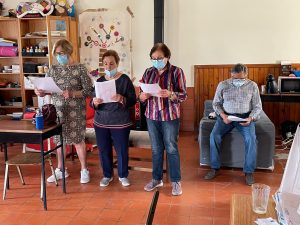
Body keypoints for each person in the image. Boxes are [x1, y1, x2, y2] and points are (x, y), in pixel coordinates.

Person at [34, 39, 93, 184]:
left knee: (78, 140)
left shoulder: (80, 68)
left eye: (61, 53)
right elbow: (46, 88)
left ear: (68, 52)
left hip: (76, 110)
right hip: (59, 110)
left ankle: (84, 169)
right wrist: (40, 92)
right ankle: (61, 170)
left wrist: (72, 93)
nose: (59, 56)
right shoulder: (53, 69)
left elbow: (88, 91)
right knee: (60, 140)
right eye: (56, 54)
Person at [139, 43, 187, 196]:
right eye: (153, 58)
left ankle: (176, 181)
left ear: (167, 57)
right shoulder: (148, 72)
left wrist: (171, 94)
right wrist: (143, 96)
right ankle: (156, 179)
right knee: (156, 149)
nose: (156, 61)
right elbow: (141, 94)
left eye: (159, 58)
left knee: (171, 148)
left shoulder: (176, 72)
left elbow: (184, 95)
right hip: (152, 116)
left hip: (170, 116)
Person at [204, 63, 262, 185]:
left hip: (245, 117)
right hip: (226, 117)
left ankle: (249, 171)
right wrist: (223, 116)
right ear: (231, 75)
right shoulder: (223, 85)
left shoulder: (253, 86)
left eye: (242, 78)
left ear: (246, 75)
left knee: (251, 139)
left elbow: (257, 107)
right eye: (236, 78)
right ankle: (214, 168)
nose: (239, 81)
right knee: (214, 136)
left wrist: (250, 118)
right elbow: (216, 104)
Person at [91, 50, 136, 187]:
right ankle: (107, 175)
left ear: (117, 63)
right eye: (105, 64)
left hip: (120, 122)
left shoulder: (124, 79)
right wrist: (95, 102)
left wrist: (122, 98)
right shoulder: (99, 81)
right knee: (104, 149)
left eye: (111, 63)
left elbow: (133, 100)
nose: (108, 67)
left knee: (121, 149)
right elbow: (92, 102)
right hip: (101, 122)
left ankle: (123, 175)